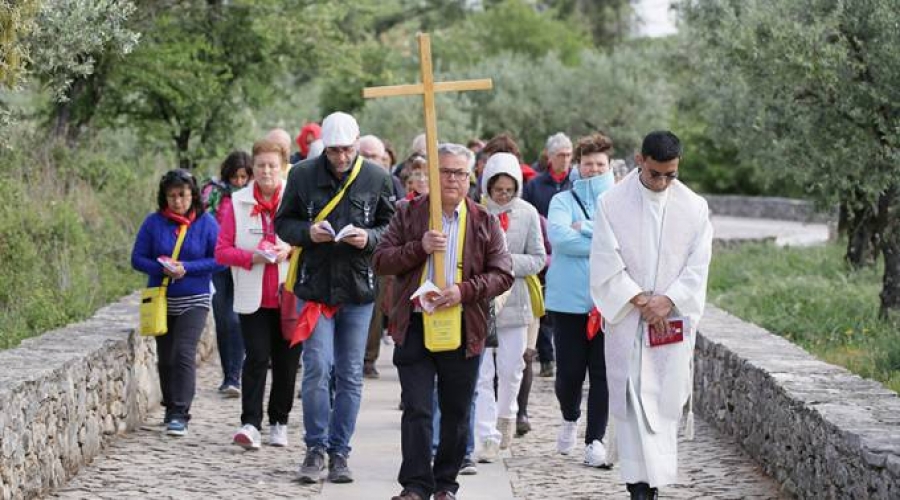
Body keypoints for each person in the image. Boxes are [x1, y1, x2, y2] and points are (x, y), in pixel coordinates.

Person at [373, 142, 513, 500]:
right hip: (415, 324)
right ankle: (415, 486)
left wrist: (462, 291)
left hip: (464, 326)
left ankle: (446, 485)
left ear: (470, 179)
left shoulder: (483, 220)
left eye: (459, 173)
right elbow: (381, 260)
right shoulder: (407, 213)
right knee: (417, 408)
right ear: (432, 176)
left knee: (456, 410)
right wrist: (418, 248)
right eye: (445, 172)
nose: (452, 179)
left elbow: (503, 274)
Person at [590, 131, 713, 500]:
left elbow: (698, 265)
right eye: (655, 174)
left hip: (669, 324)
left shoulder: (694, 207)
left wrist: (669, 300)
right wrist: (641, 300)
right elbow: (605, 260)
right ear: (639, 160)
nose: (661, 183)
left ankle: (654, 483)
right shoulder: (611, 203)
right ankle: (638, 488)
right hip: (630, 319)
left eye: (670, 175)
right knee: (632, 404)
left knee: (662, 405)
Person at [275, 111, 395, 484]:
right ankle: (315, 448)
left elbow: (391, 226)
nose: (341, 157)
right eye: (334, 151)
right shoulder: (301, 175)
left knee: (350, 373)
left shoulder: (376, 177)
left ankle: (340, 451)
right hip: (316, 287)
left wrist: (369, 238)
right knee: (316, 367)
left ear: (356, 145)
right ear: (324, 148)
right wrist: (309, 233)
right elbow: (283, 223)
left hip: (358, 289)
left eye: (346, 150)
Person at [214, 139, 299, 450]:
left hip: (289, 294)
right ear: (253, 168)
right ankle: (250, 423)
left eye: (272, 166)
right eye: (260, 165)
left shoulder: (297, 197)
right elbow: (222, 252)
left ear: (283, 167)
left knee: (287, 362)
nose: (266, 171)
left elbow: (311, 240)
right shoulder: (237, 202)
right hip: (254, 296)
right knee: (256, 358)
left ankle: (279, 422)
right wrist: (253, 257)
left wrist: (289, 249)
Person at [131, 169, 222, 436]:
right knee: (166, 358)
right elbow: (137, 258)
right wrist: (162, 268)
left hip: (195, 298)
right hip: (161, 299)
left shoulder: (207, 224)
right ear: (164, 197)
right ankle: (170, 406)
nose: (178, 201)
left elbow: (220, 259)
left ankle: (180, 413)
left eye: (182, 195)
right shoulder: (153, 223)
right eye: (172, 196)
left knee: (183, 352)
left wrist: (187, 268)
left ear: (193, 195)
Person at [545, 133, 617, 468]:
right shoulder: (561, 200)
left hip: (608, 302)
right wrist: (601, 237)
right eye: (588, 164)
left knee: (602, 374)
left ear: (609, 166)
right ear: (578, 166)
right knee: (570, 374)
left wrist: (584, 228)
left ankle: (595, 441)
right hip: (567, 303)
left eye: (599, 164)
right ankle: (569, 416)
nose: (593, 170)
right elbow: (560, 239)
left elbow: (623, 244)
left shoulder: (618, 202)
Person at [473, 153, 546, 463]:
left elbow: (538, 258)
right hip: (482, 302)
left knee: (511, 367)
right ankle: (485, 431)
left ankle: (506, 416)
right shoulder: (475, 212)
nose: (502, 195)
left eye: (508, 189)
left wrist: (504, 263)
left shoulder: (528, 213)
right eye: (497, 189)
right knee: (482, 372)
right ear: (487, 186)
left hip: (515, 301)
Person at [523, 132, 574, 379]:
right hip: (542, 254)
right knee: (542, 307)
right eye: (561, 155)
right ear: (550, 157)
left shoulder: (576, 184)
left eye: (569, 155)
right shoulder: (535, 185)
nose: (565, 160)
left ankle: (565, 357)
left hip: (570, 252)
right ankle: (546, 358)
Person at [207, 151, 253, 397]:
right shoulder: (214, 194)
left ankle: (235, 375)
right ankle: (228, 375)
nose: (239, 181)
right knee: (223, 321)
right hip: (218, 265)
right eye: (235, 177)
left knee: (237, 320)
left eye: (243, 177)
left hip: (244, 264)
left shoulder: (253, 196)